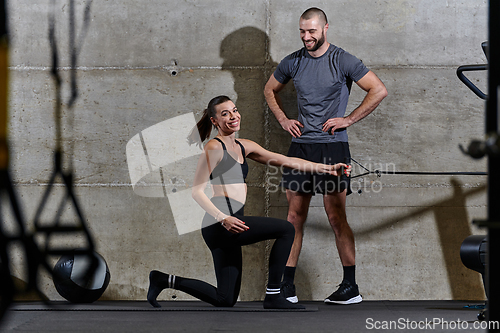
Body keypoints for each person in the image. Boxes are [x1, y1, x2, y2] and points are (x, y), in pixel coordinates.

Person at [147, 96, 350, 309]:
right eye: (225, 114)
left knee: (224, 299)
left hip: (233, 222)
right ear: (214, 121)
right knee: (286, 229)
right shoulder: (214, 148)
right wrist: (223, 218)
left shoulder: (244, 146)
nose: (233, 116)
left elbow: (286, 161)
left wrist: (327, 169)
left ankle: (163, 280)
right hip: (219, 223)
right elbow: (196, 191)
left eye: (234, 110)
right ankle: (273, 294)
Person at [264, 7, 388, 305]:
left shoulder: (342, 59)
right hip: (301, 148)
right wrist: (283, 119)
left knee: (336, 216)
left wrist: (348, 119)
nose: (306, 37)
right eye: (302, 32)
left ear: (325, 28)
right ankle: (287, 286)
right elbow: (270, 90)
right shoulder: (293, 61)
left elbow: (378, 90)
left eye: (312, 31)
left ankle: (350, 288)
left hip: (333, 148)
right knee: (293, 217)